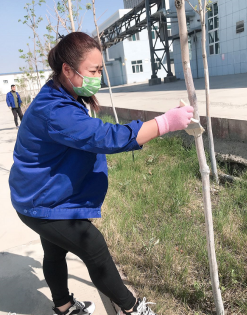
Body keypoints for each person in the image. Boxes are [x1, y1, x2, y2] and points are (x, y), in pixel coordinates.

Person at [9, 32, 194, 315]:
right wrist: (165, 123)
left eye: (100, 70)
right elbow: (105, 137)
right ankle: (132, 308)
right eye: (93, 71)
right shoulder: (56, 110)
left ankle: (64, 307)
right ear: (67, 70)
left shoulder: (61, 93)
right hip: (40, 201)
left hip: (41, 195)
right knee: (93, 247)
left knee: (55, 252)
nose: (98, 77)